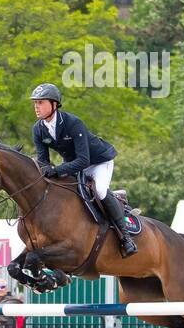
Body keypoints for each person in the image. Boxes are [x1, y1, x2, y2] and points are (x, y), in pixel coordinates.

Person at [30, 82, 137, 256]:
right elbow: (43, 161)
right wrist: (46, 170)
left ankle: (126, 237)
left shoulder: (73, 123)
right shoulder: (38, 129)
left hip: (98, 162)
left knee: (100, 191)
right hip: (75, 165)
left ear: (54, 104)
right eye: (35, 103)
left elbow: (83, 160)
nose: (36, 106)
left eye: (41, 102)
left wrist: (57, 170)